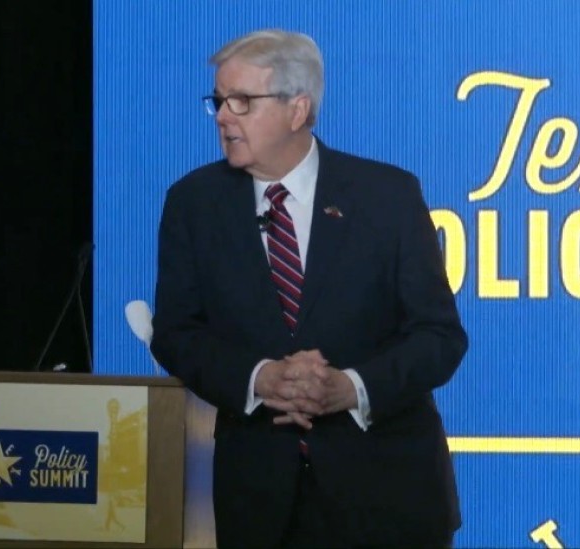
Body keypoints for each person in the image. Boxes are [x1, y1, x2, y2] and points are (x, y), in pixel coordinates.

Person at [151, 29, 468, 548]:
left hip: (389, 496)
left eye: (242, 101)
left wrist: (352, 388)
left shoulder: (386, 196)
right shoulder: (193, 204)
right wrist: (260, 379)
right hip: (259, 502)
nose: (224, 116)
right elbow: (177, 334)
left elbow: (439, 337)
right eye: (219, 100)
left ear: (297, 110)